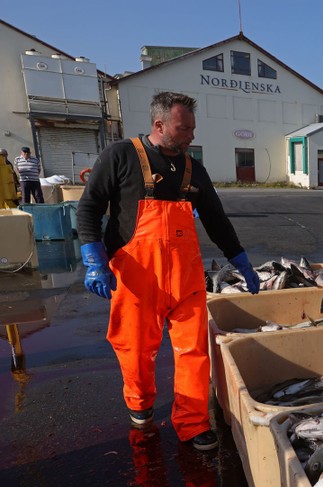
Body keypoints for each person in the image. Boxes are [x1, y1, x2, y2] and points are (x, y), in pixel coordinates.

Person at [76, 91, 261, 452]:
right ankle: (140, 405)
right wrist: (94, 259)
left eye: (192, 127)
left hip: (185, 279)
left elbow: (216, 220)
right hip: (135, 276)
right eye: (184, 127)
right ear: (159, 125)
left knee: (193, 351)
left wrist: (239, 258)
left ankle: (193, 423)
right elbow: (89, 209)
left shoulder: (194, 169)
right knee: (135, 348)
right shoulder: (121, 156)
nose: (191, 134)